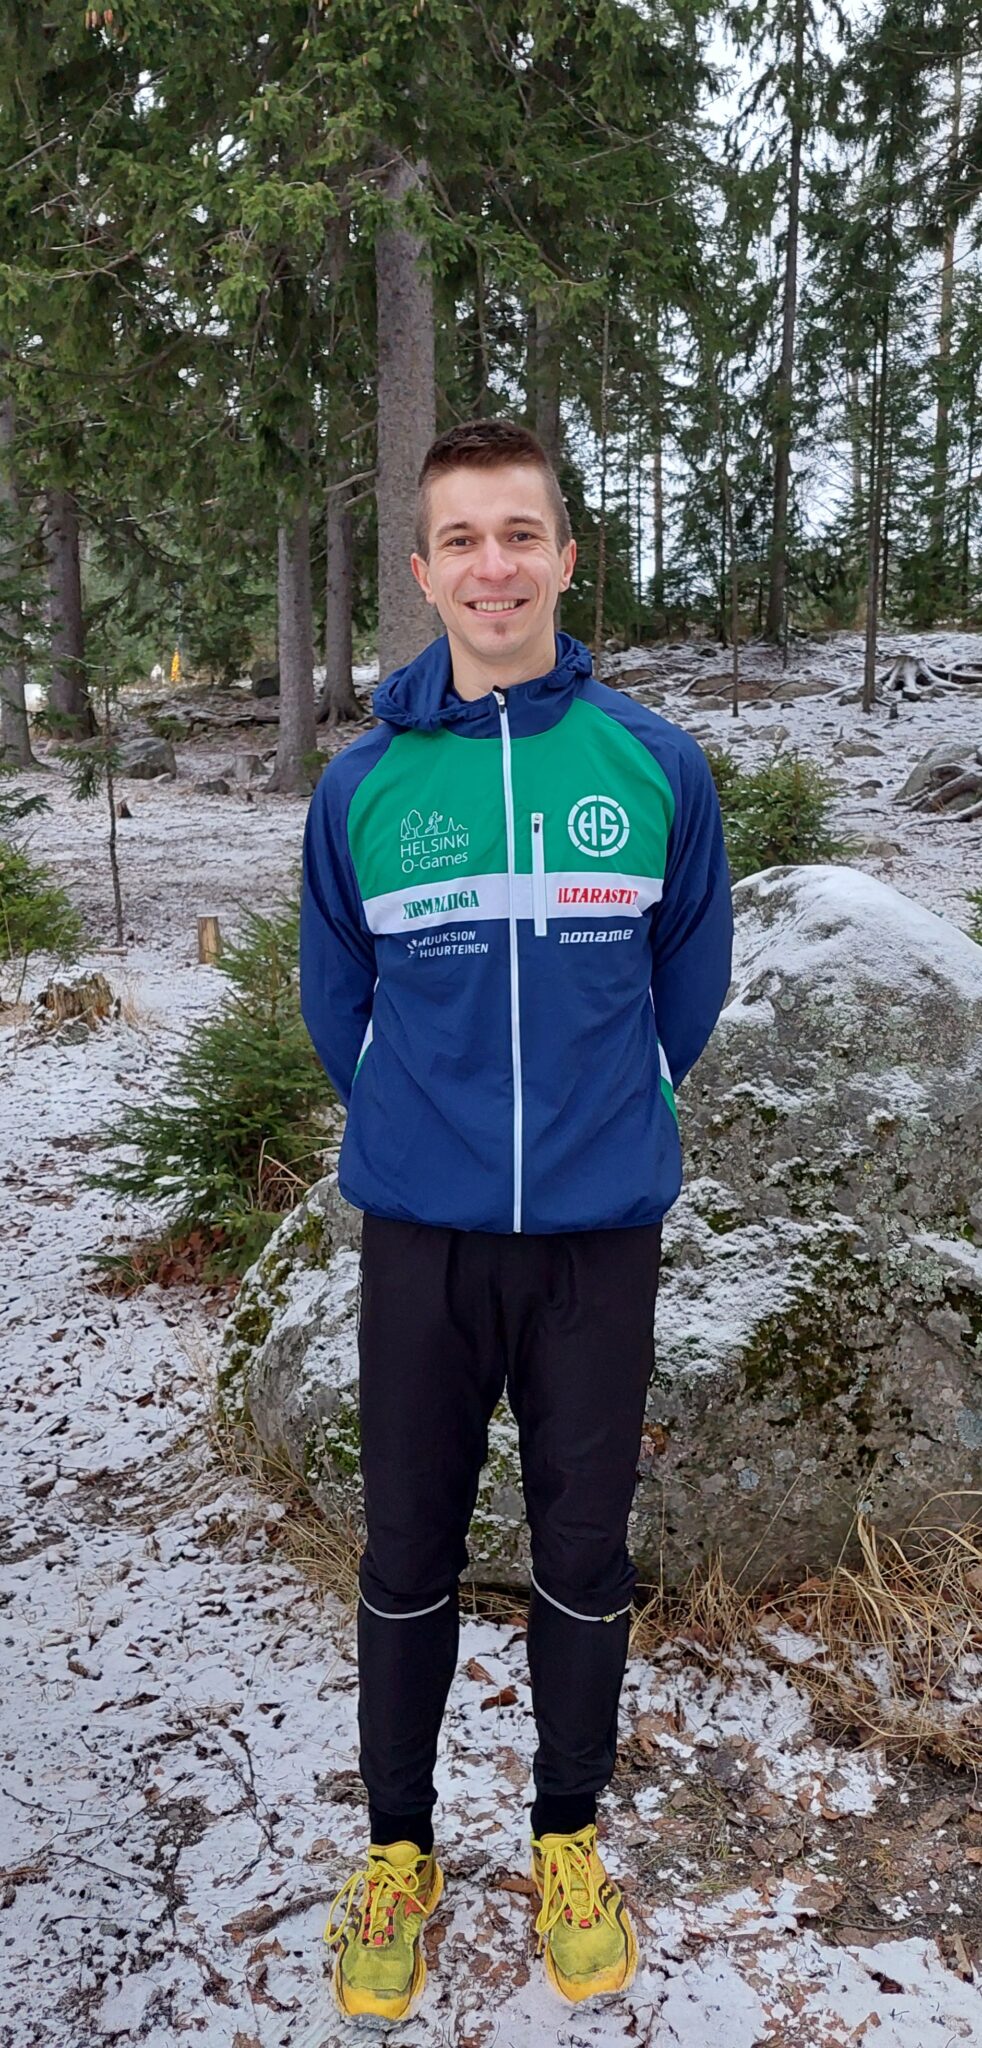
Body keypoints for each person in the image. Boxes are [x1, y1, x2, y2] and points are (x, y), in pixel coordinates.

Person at [299, 418, 733, 2025]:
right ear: (423, 572)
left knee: (583, 1549)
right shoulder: (363, 783)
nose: (494, 566)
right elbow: (334, 1001)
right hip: (423, 1241)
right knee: (407, 1548)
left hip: (597, 1241)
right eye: (464, 540)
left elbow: (684, 989)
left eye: (521, 533)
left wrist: (600, 1125)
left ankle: (566, 1834)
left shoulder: (652, 765)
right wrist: (436, 1137)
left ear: (564, 556)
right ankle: (397, 1852)